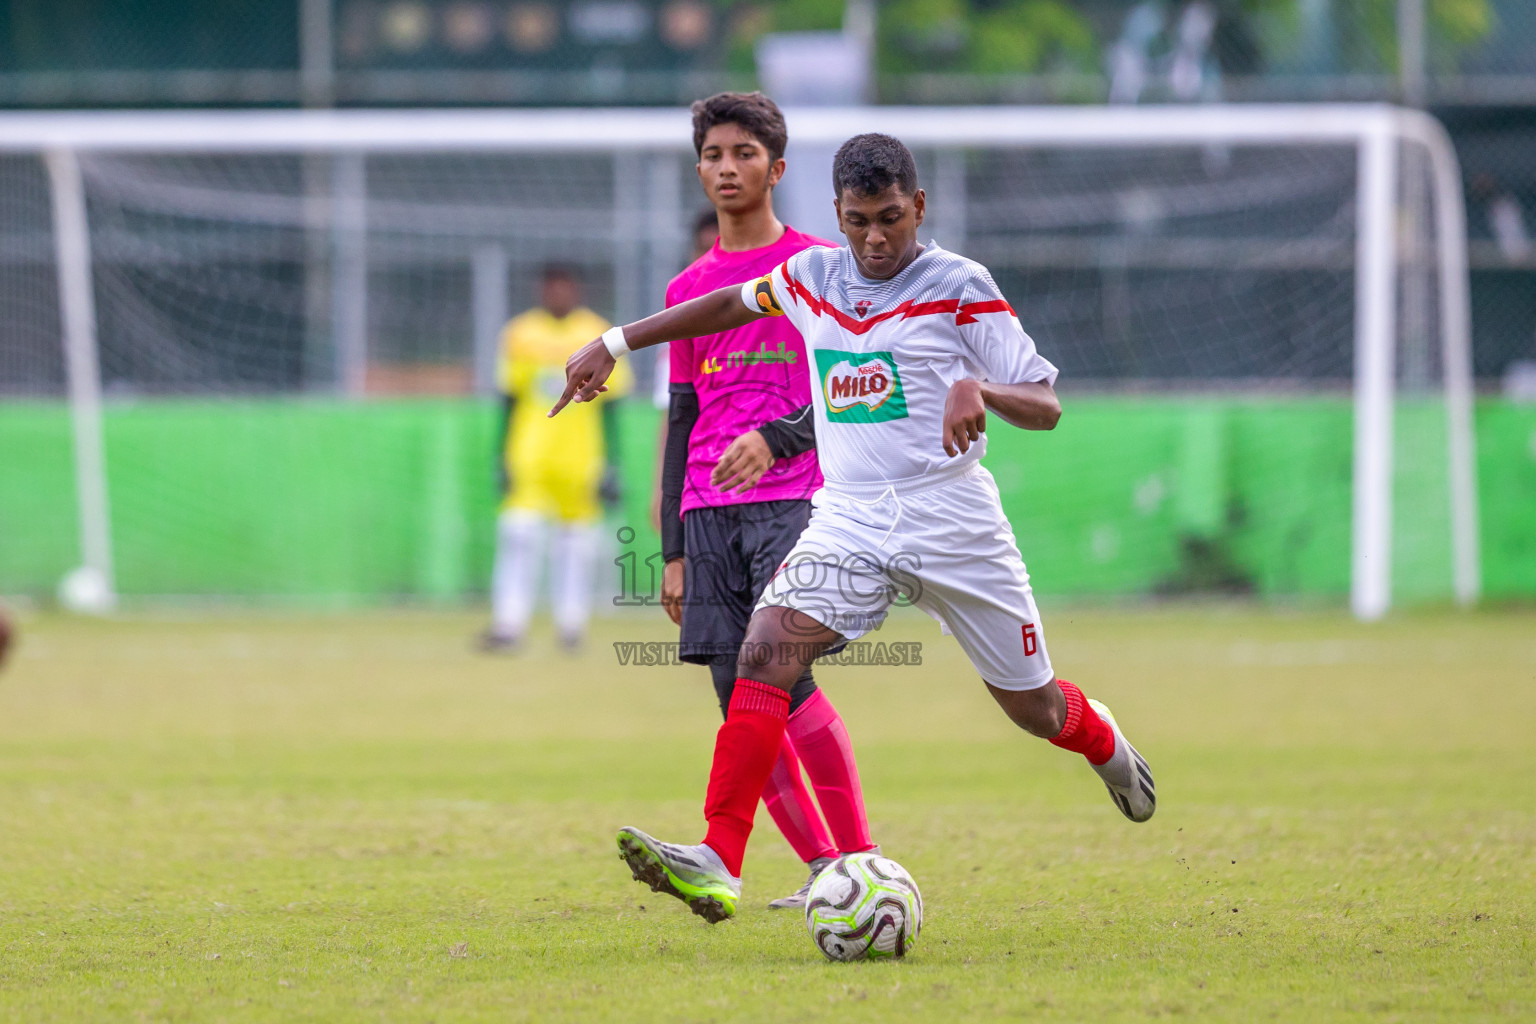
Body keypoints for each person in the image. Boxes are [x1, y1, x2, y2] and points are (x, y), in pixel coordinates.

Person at [551, 133, 1155, 923]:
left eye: (892, 219)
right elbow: (731, 303)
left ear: (920, 208)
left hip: (953, 521)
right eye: (860, 220)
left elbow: (1046, 402)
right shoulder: (812, 276)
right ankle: (718, 857)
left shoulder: (960, 284)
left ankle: (1103, 742)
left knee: (1034, 710)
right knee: (763, 652)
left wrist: (982, 389)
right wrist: (614, 340)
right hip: (851, 518)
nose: (876, 239)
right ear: (836, 213)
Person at [654, 92, 878, 909]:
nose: (727, 168)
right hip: (709, 515)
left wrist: (779, 439)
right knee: (731, 687)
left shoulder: (822, 269)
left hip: (798, 499)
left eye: (744, 153)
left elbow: (853, 390)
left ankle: (856, 856)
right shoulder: (689, 288)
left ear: (777, 168)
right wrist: (674, 546)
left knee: (783, 675)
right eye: (713, 154)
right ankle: (826, 866)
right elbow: (682, 415)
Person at [483, 263, 629, 652]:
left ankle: (571, 626)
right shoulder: (519, 333)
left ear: (575, 289)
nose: (558, 294)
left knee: (576, 546)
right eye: (551, 287)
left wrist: (614, 463)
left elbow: (612, 407)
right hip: (529, 454)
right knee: (519, 535)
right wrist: (501, 455)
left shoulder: (598, 333)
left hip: (581, 458)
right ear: (542, 290)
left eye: (565, 287)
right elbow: (509, 398)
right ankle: (508, 623)